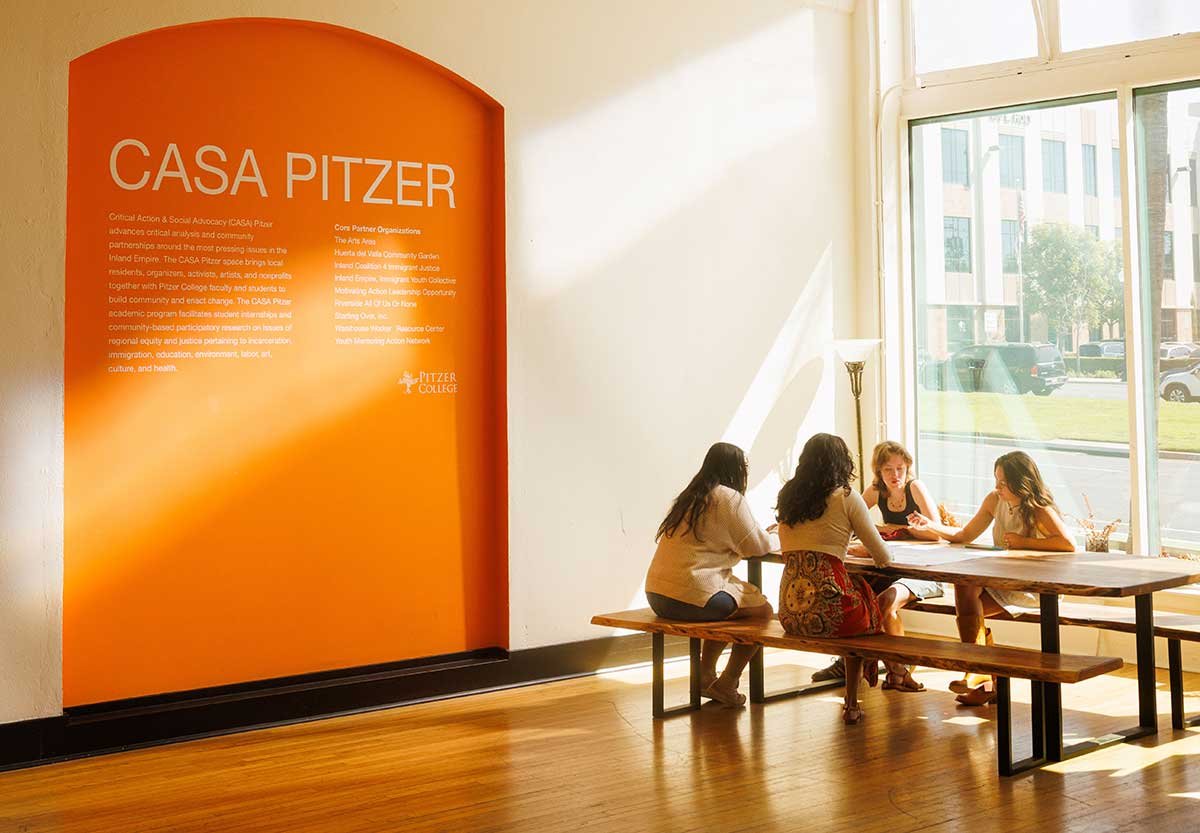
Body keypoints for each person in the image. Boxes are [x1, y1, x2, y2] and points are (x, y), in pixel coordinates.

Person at [908, 450, 1074, 705]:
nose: (997, 487)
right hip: (1000, 579)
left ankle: (981, 673)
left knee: (968, 610)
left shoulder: (1039, 510)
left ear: (1022, 483)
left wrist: (1024, 542)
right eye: (996, 481)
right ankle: (980, 673)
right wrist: (929, 525)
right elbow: (964, 534)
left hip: (1031, 587)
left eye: (1003, 483)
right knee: (964, 587)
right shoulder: (994, 500)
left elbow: (1068, 544)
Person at [645, 442, 777, 708]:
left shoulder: (690, 497)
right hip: (692, 596)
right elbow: (757, 546)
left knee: (732, 601)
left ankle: (706, 676)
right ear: (737, 470)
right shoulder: (728, 498)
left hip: (658, 594)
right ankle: (727, 682)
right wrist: (776, 536)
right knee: (761, 612)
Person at [775, 433, 894, 724]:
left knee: (857, 598)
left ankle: (884, 678)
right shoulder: (845, 497)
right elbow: (883, 557)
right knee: (863, 602)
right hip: (831, 613)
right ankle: (854, 700)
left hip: (790, 612)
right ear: (843, 462)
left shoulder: (788, 497)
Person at [811, 441, 943, 691]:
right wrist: (882, 530)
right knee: (855, 597)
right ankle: (860, 662)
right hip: (892, 564)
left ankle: (895, 668)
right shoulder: (875, 491)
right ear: (879, 472)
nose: (895, 475)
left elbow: (937, 532)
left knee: (883, 601)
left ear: (908, 468)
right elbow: (849, 520)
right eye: (888, 470)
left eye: (900, 468)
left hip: (923, 566)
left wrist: (901, 530)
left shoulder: (915, 488)